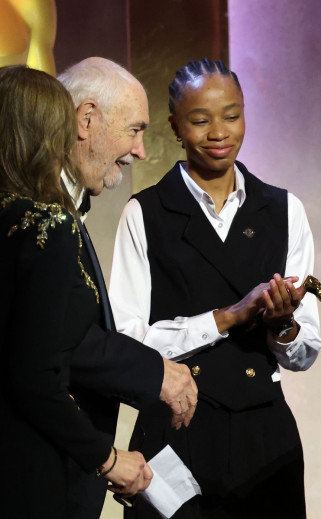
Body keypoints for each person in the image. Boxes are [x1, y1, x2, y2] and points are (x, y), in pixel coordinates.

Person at [109, 58, 321, 518]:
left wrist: (283, 327)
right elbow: (125, 345)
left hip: (263, 433)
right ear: (175, 127)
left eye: (232, 115)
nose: (219, 132)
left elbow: (305, 352)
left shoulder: (283, 211)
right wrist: (225, 319)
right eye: (200, 120)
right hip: (173, 430)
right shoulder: (145, 214)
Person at [0, 65, 152, 518]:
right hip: (30, 474)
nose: (141, 150)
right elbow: (34, 376)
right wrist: (107, 460)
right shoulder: (46, 225)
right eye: (136, 130)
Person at [57, 57, 200, 517]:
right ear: (87, 119)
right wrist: (155, 371)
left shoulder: (63, 205)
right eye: (134, 130)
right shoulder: (36, 211)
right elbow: (59, 342)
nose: (141, 150)